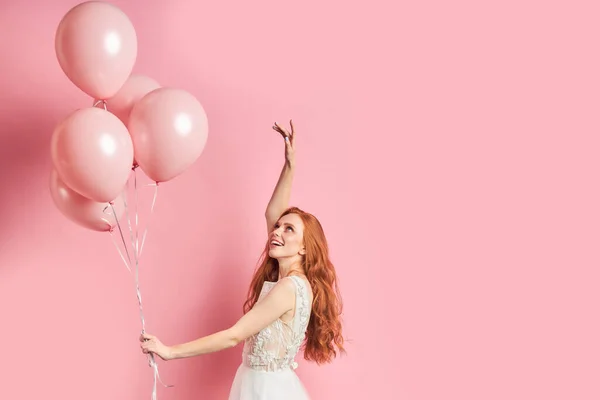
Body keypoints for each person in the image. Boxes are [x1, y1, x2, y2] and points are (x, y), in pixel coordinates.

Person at [140, 120, 345, 399]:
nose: (277, 232)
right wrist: (290, 166)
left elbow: (233, 335)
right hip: (263, 384)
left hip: (266, 390)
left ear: (304, 248)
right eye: (278, 227)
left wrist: (170, 351)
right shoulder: (293, 281)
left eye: (289, 229)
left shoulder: (289, 288)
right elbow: (272, 212)